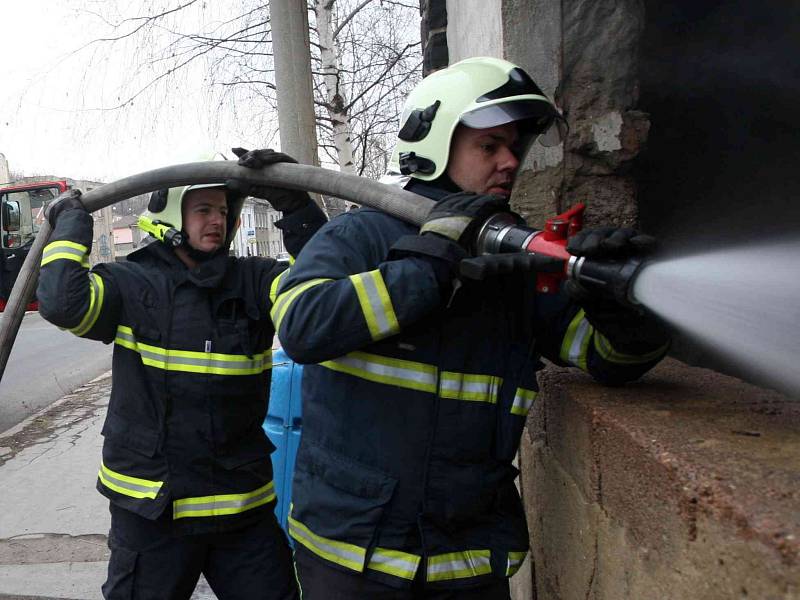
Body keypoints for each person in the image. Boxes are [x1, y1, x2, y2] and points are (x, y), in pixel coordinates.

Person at [271, 57, 669, 599]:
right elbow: (303, 325)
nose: (510, 162)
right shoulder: (359, 236)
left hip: (468, 562)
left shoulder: (517, 262)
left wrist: (620, 306)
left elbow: (607, 359)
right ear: (435, 143)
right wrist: (425, 267)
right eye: (490, 146)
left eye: (515, 147)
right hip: (352, 559)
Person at [37, 149, 326, 599]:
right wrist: (71, 227)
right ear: (173, 213)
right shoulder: (131, 283)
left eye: (224, 211)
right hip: (152, 514)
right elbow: (62, 303)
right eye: (204, 209)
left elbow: (324, 293)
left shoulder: (255, 279)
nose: (218, 220)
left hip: (241, 512)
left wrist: (297, 207)